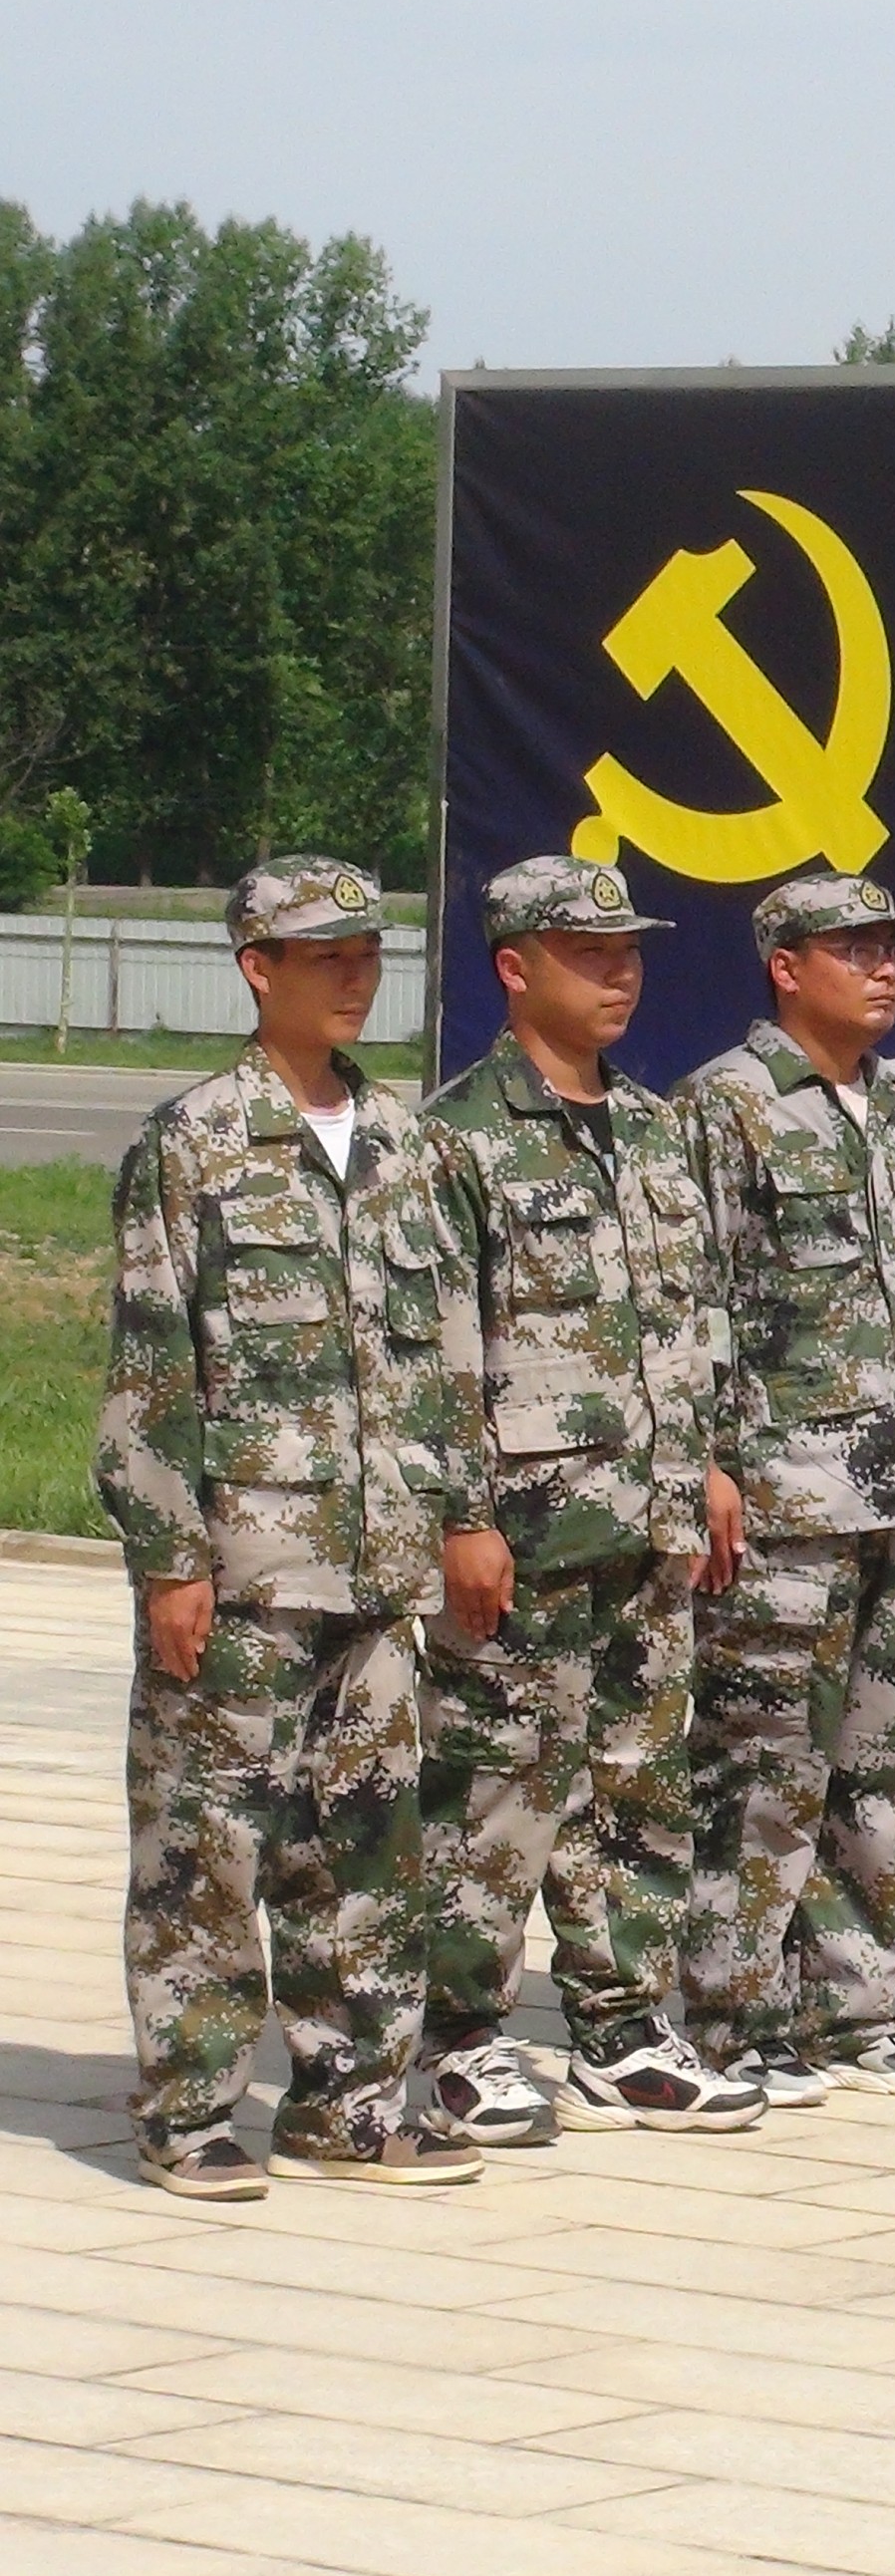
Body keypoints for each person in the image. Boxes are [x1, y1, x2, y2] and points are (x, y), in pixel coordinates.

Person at [99, 858, 483, 2194]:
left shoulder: (410, 1144)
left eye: (369, 951)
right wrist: (170, 1558)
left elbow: (447, 1357)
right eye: (326, 956)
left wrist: (464, 1516)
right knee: (208, 1851)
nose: (356, 975)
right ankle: (191, 2109)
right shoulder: (195, 1143)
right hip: (249, 1564)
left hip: (379, 1570)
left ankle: (350, 2103)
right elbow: (152, 1368)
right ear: (257, 968)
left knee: (368, 1848)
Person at [418, 856, 750, 2142]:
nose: (620, 972)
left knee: (637, 1783)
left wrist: (705, 1460)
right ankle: (462, 2038)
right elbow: (437, 1348)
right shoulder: (458, 1138)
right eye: (588, 952)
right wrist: (461, 1517)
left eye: (629, 951)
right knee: (496, 1786)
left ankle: (620, 2029)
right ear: (515, 968)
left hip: (648, 1522)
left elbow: (687, 1317)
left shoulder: (654, 1129)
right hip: (528, 1528)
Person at [675, 871, 895, 2104]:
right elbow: (689, 1294)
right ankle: (730, 2016)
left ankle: (851, 2013)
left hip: (893, 1490)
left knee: (872, 1767)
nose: (886, 967)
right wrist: (705, 1461)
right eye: (857, 948)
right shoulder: (729, 1103)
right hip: (783, 1494)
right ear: (786, 967)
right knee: (762, 1765)